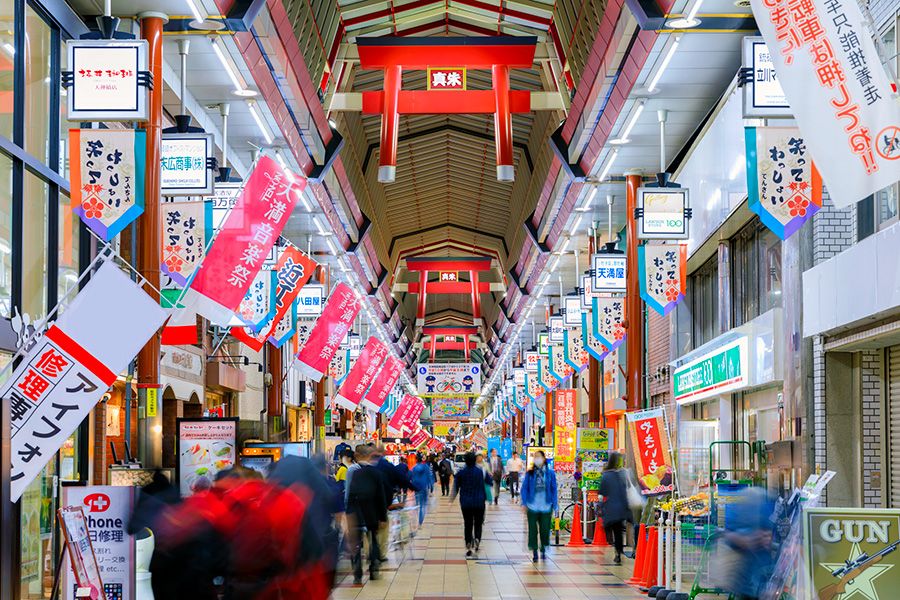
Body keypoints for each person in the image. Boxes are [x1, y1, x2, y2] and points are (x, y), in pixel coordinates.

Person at [346, 445, 389, 583]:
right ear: (370, 457)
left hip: (356, 514)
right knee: (373, 540)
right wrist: (383, 517)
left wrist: (348, 513)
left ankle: (357, 573)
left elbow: (350, 494)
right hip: (371, 513)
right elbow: (381, 496)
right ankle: (373, 569)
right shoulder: (376, 473)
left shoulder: (355, 473)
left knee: (356, 544)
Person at [450, 452, 492, 557]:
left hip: (466, 503)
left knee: (467, 523)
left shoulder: (461, 473)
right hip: (479, 502)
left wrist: (451, 499)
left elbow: (455, 488)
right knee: (478, 523)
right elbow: (490, 482)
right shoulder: (481, 471)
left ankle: (468, 542)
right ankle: (477, 538)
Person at [520, 450, 558, 562]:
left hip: (546, 505)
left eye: (539, 457)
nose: (537, 459)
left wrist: (554, 503)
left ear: (544, 458)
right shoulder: (530, 473)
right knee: (532, 530)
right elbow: (524, 488)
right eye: (535, 457)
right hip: (532, 506)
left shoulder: (550, 473)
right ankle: (535, 551)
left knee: (545, 530)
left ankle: (543, 549)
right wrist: (524, 502)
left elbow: (554, 488)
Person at [598, 452, 631, 564]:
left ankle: (616, 550)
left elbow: (602, 491)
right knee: (618, 531)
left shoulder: (606, 475)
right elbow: (626, 491)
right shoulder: (622, 474)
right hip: (621, 507)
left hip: (610, 507)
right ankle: (618, 551)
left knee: (611, 529)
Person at [410, 454, 433, 525]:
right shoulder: (426, 467)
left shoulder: (414, 468)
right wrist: (431, 486)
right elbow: (429, 477)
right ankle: (420, 520)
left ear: (416, 460)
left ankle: (416, 518)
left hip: (416, 488)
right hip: (423, 487)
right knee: (423, 505)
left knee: (417, 503)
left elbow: (411, 477)